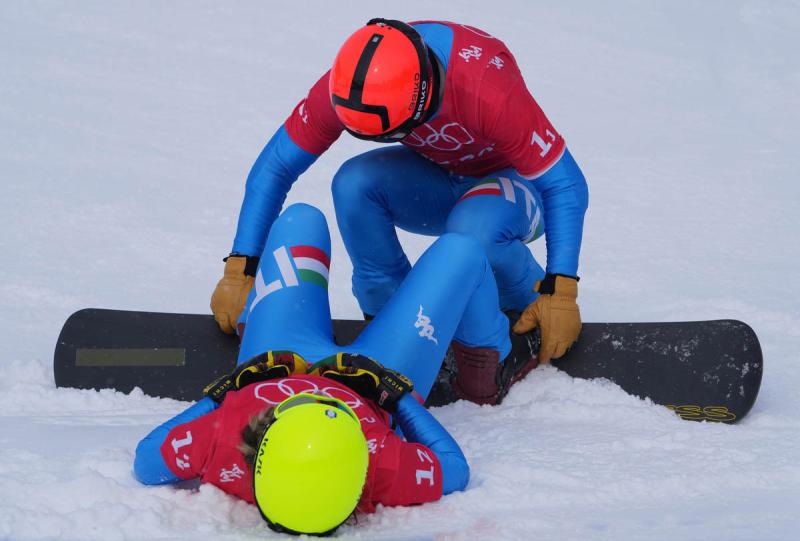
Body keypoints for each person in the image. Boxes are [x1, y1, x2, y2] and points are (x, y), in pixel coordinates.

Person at [210, 19, 589, 402]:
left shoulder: (485, 89)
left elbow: (566, 184)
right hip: (442, 177)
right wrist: (241, 266)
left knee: (474, 229)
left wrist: (561, 290)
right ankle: (392, 326)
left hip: (517, 186)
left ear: (422, 98)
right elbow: (276, 167)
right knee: (353, 184)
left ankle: (505, 341)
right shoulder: (349, 83)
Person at [135, 203, 535, 535]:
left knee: (301, 219)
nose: (315, 394)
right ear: (359, 467)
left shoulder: (224, 440)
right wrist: (394, 396)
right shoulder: (381, 465)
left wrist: (228, 390)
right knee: (461, 252)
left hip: (279, 354)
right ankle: (485, 365)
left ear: (261, 438)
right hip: (378, 370)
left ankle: (255, 316)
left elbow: (147, 458)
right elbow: (454, 469)